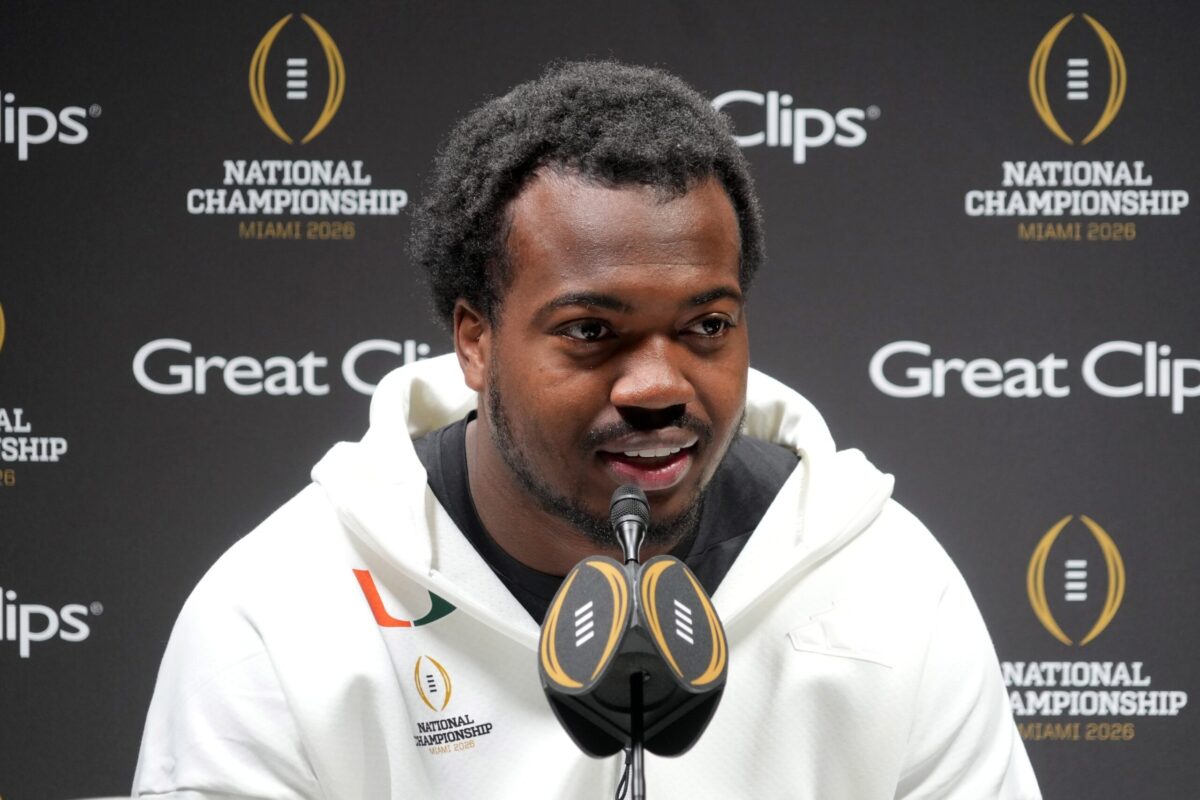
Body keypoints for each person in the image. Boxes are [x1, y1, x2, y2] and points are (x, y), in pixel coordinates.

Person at [134, 61, 1040, 798]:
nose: (658, 387)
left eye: (707, 326)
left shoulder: (889, 581)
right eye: (591, 331)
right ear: (476, 340)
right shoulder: (278, 613)